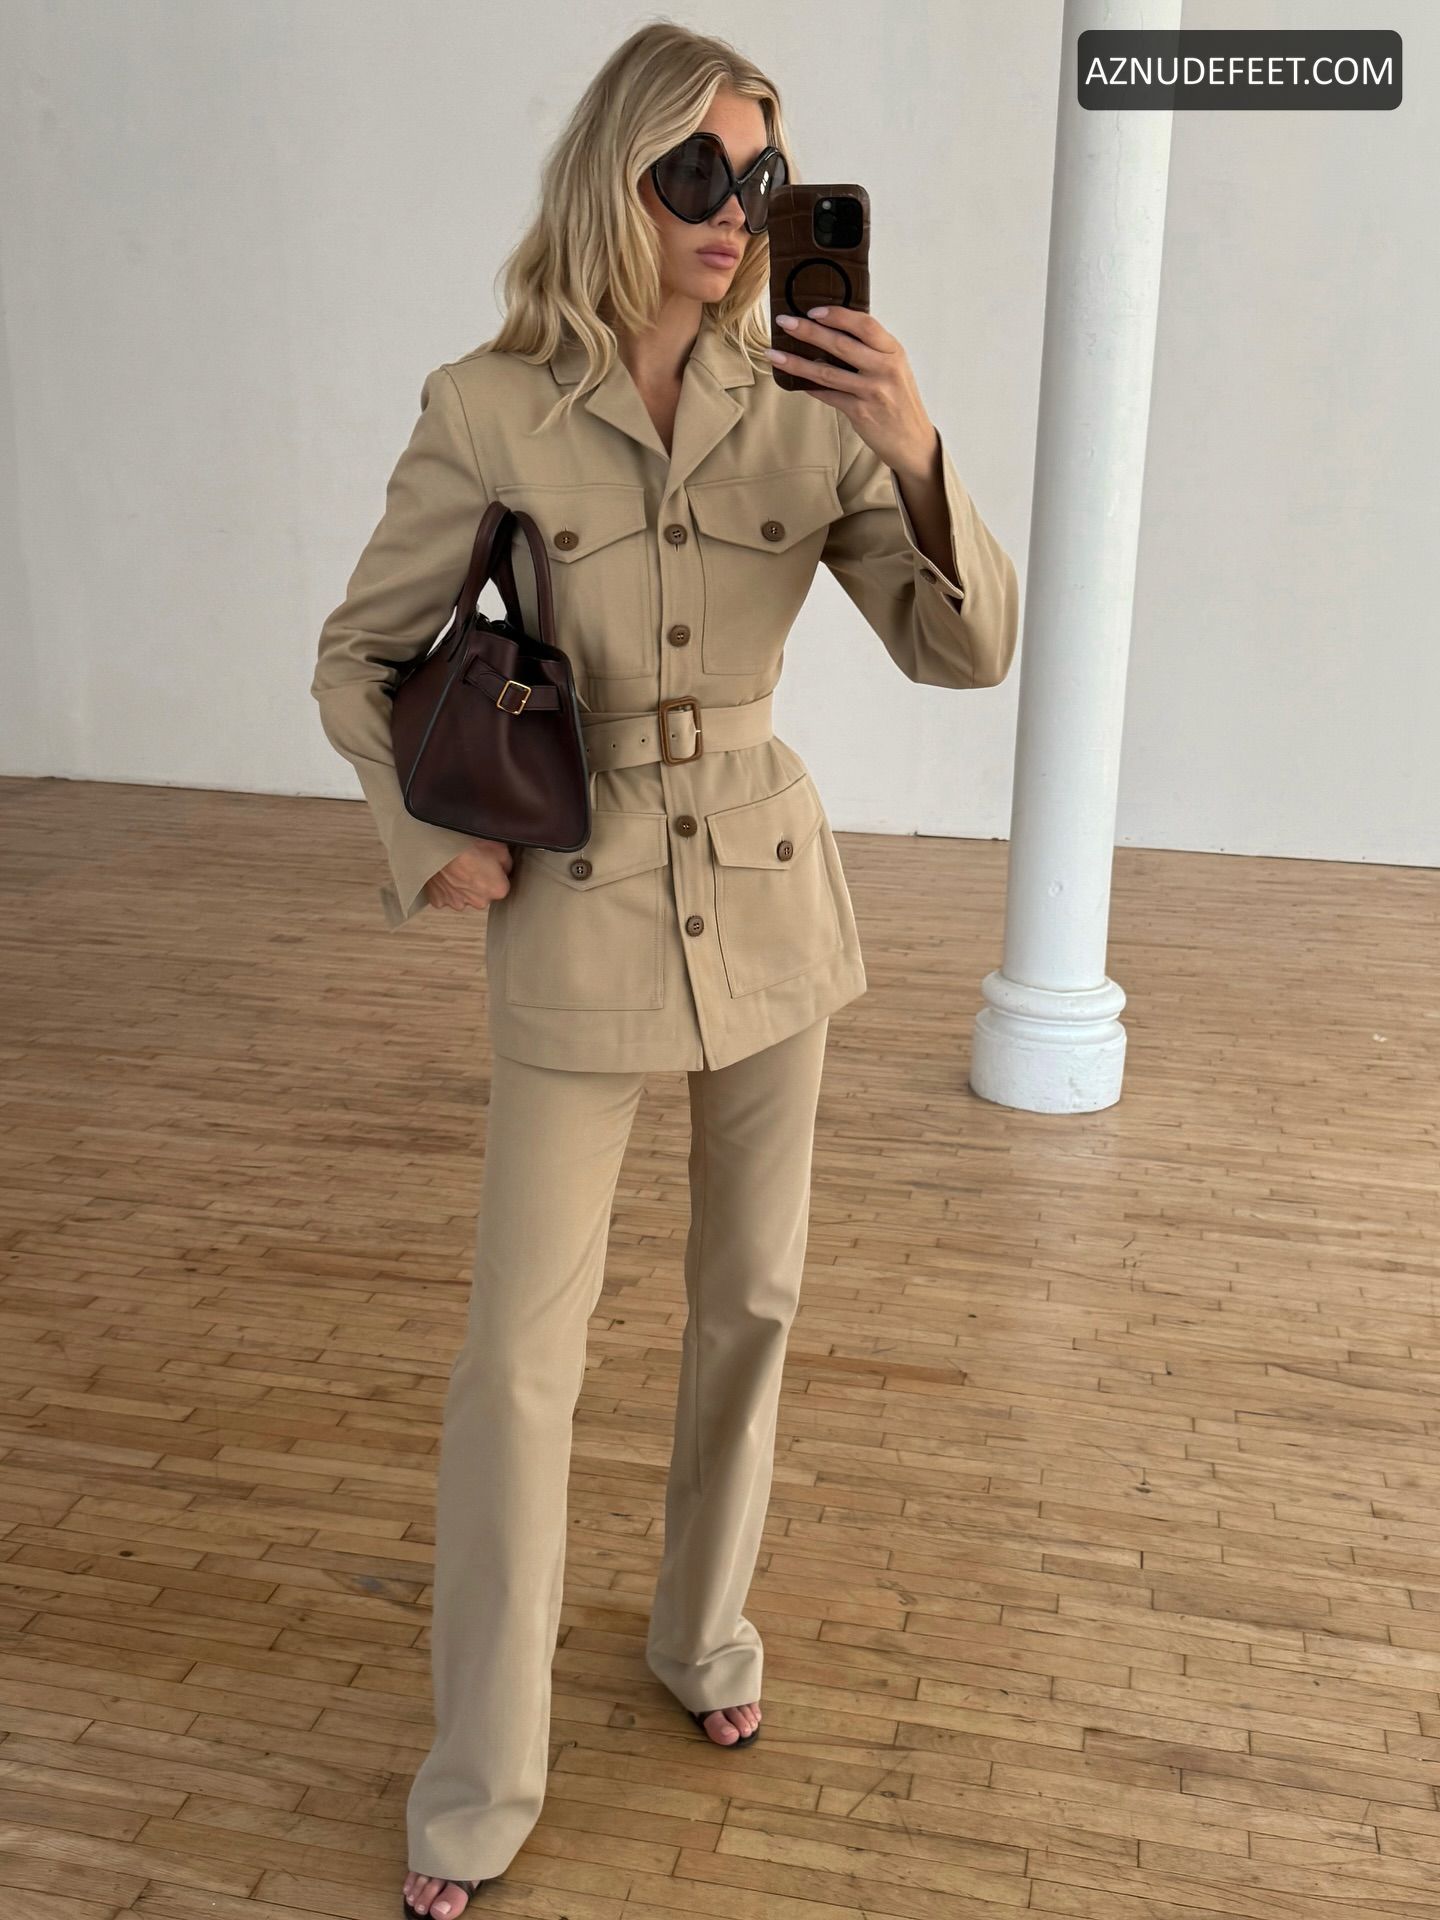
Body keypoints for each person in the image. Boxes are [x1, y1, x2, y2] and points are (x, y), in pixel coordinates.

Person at [309, 21, 1018, 1918]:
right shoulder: (490, 408)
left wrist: (914, 446)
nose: (734, 213)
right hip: (576, 898)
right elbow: (357, 657)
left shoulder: (808, 399)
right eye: (696, 174)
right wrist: (423, 840)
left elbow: (966, 656)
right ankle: (480, 1781)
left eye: (761, 179)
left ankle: (703, 1634)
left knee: (752, 1302)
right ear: (611, 180)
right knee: (516, 1363)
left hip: (771, 896)